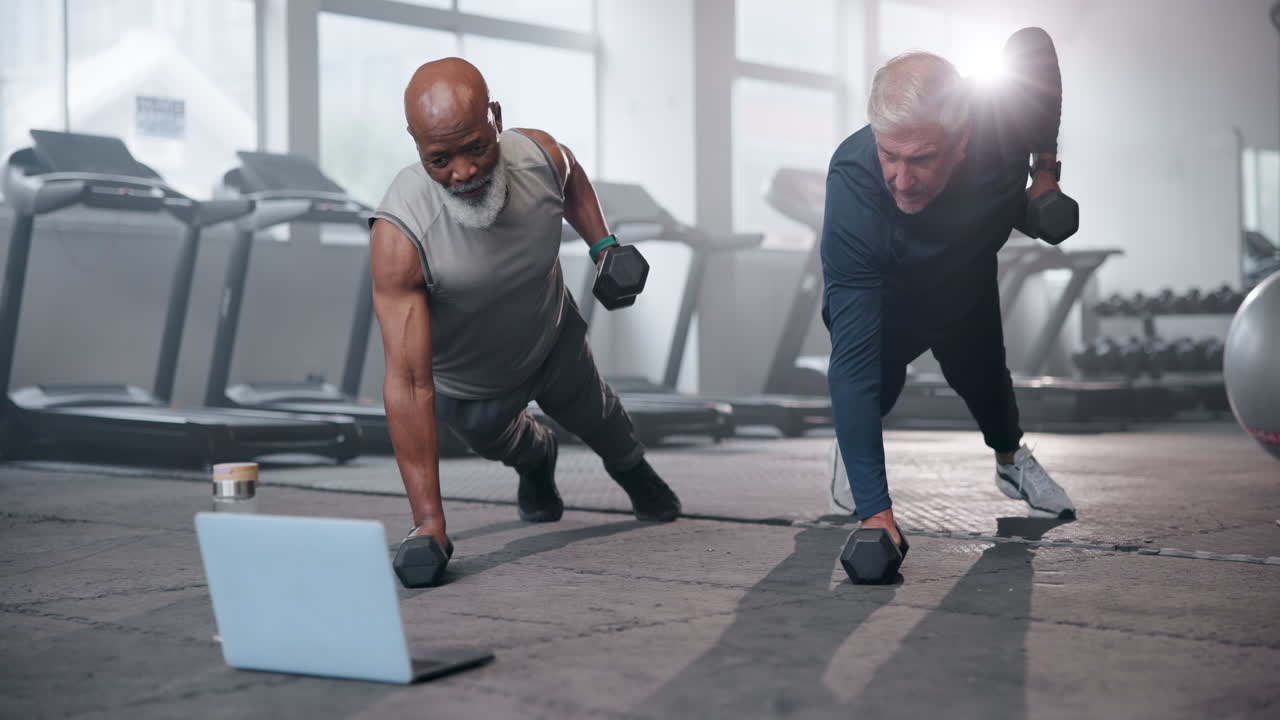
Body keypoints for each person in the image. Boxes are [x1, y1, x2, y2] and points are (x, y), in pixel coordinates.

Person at [369, 57, 681, 553]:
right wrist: (428, 525)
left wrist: (604, 247)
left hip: (551, 340)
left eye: (476, 147)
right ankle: (536, 458)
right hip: (471, 385)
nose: (464, 172)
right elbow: (407, 384)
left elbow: (571, 174)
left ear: (495, 116)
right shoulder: (400, 233)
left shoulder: (539, 154)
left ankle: (632, 469)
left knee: (599, 415)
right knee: (498, 441)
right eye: (440, 159)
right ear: (415, 144)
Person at [821, 28, 1077, 555]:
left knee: (987, 384)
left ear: (963, 141)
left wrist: (1045, 173)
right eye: (890, 155)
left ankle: (1011, 464)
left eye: (922, 159)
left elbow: (1031, 46)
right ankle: (856, 461)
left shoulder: (1000, 127)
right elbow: (851, 364)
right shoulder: (851, 187)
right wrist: (877, 518)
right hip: (890, 300)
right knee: (875, 383)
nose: (902, 178)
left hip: (965, 276)